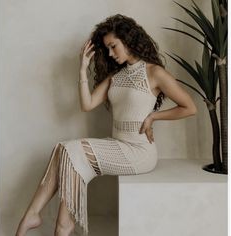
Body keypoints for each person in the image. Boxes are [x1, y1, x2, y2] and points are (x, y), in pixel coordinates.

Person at [15, 14, 197, 236]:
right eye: (107, 48)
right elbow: (87, 104)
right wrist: (83, 69)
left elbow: (189, 107)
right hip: (116, 144)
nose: (110, 53)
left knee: (70, 150)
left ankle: (53, 222)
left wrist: (153, 117)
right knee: (65, 151)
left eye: (113, 46)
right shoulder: (116, 76)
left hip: (138, 152)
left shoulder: (154, 72)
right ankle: (51, 221)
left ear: (128, 40)